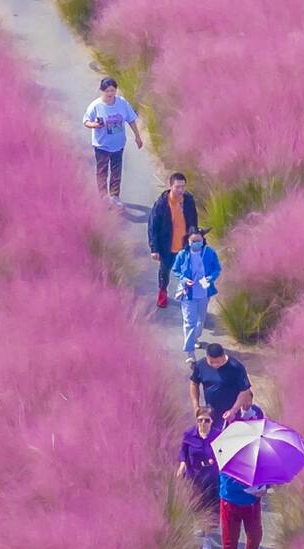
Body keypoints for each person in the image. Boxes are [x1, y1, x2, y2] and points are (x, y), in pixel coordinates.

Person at [83, 77, 143, 205]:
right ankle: (103, 197)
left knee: (116, 171)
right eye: (108, 91)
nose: (111, 94)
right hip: (102, 145)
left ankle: (115, 196)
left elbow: (131, 119)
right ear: (102, 91)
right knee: (102, 171)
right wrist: (95, 125)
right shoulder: (96, 106)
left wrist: (137, 136)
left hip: (118, 144)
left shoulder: (122, 103)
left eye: (113, 90)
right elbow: (86, 121)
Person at [171, 228, 221, 364]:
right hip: (188, 293)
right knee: (189, 323)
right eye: (193, 241)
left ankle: (195, 337)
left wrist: (209, 279)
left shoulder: (209, 253)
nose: (196, 243)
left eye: (198, 240)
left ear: (203, 240)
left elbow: (217, 268)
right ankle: (190, 352)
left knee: (200, 321)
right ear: (188, 240)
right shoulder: (183, 254)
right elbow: (175, 270)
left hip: (204, 292)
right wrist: (183, 279)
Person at [148, 173, 199, 308]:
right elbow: (153, 227)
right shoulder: (161, 204)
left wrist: (194, 236)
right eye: (177, 187)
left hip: (184, 245)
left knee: (188, 272)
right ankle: (163, 292)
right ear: (170, 186)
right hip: (167, 245)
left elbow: (193, 220)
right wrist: (154, 249)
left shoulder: (188, 200)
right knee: (165, 270)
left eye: (183, 187)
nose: (181, 190)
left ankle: (188, 298)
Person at [177, 406, 220, 549]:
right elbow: (183, 451)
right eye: (200, 420)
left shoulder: (217, 436)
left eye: (206, 420)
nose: (203, 423)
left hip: (211, 480)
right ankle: (200, 525)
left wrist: (214, 461)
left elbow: (222, 455)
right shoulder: (189, 435)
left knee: (208, 508)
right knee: (195, 505)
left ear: (212, 421)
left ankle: (207, 539)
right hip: (193, 478)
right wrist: (182, 464)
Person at [219, 471, 266, 549]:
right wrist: (248, 487)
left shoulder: (258, 456)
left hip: (252, 503)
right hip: (230, 501)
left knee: (255, 533)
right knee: (230, 536)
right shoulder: (228, 458)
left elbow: (267, 475)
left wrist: (265, 486)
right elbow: (227, 483)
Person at [190, 343, 253, 424]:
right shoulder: (200, 365)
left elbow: (245, 391)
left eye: (219, 362)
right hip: (210, 413)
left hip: (231, 414)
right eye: (212, 362)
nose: (215, 365)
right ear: (207, 357)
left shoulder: (236, 368)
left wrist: (234, 410)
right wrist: (196, 406)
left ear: (223, 355)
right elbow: (194, 384)